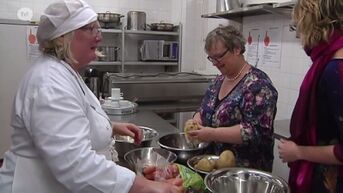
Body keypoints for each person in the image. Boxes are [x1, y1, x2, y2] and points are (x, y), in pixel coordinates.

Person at [0, 1, 182, 193]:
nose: (99, 35)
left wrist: (110, 128)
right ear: (64, 37)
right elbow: (75, 164)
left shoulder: (65, 71)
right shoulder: (50, 83)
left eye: (98, 28)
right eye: (90, 29)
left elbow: (70, 122)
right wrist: (144, 187)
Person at [186, 25, 278, 172]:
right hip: (214, 168)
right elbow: (204, 109)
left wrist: (212, 134)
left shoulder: (258, 85)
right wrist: (197, 119)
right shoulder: (219, 81)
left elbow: (255, 131)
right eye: (211, 58)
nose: (215, 63)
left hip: (244, 174)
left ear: (236, 49)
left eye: (219, 56)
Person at [277, 0, 343, 193]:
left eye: (297, 26)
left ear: (312, 22)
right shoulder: (329, 62)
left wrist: (298, 152)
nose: (298, 34)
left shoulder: (335, 70)